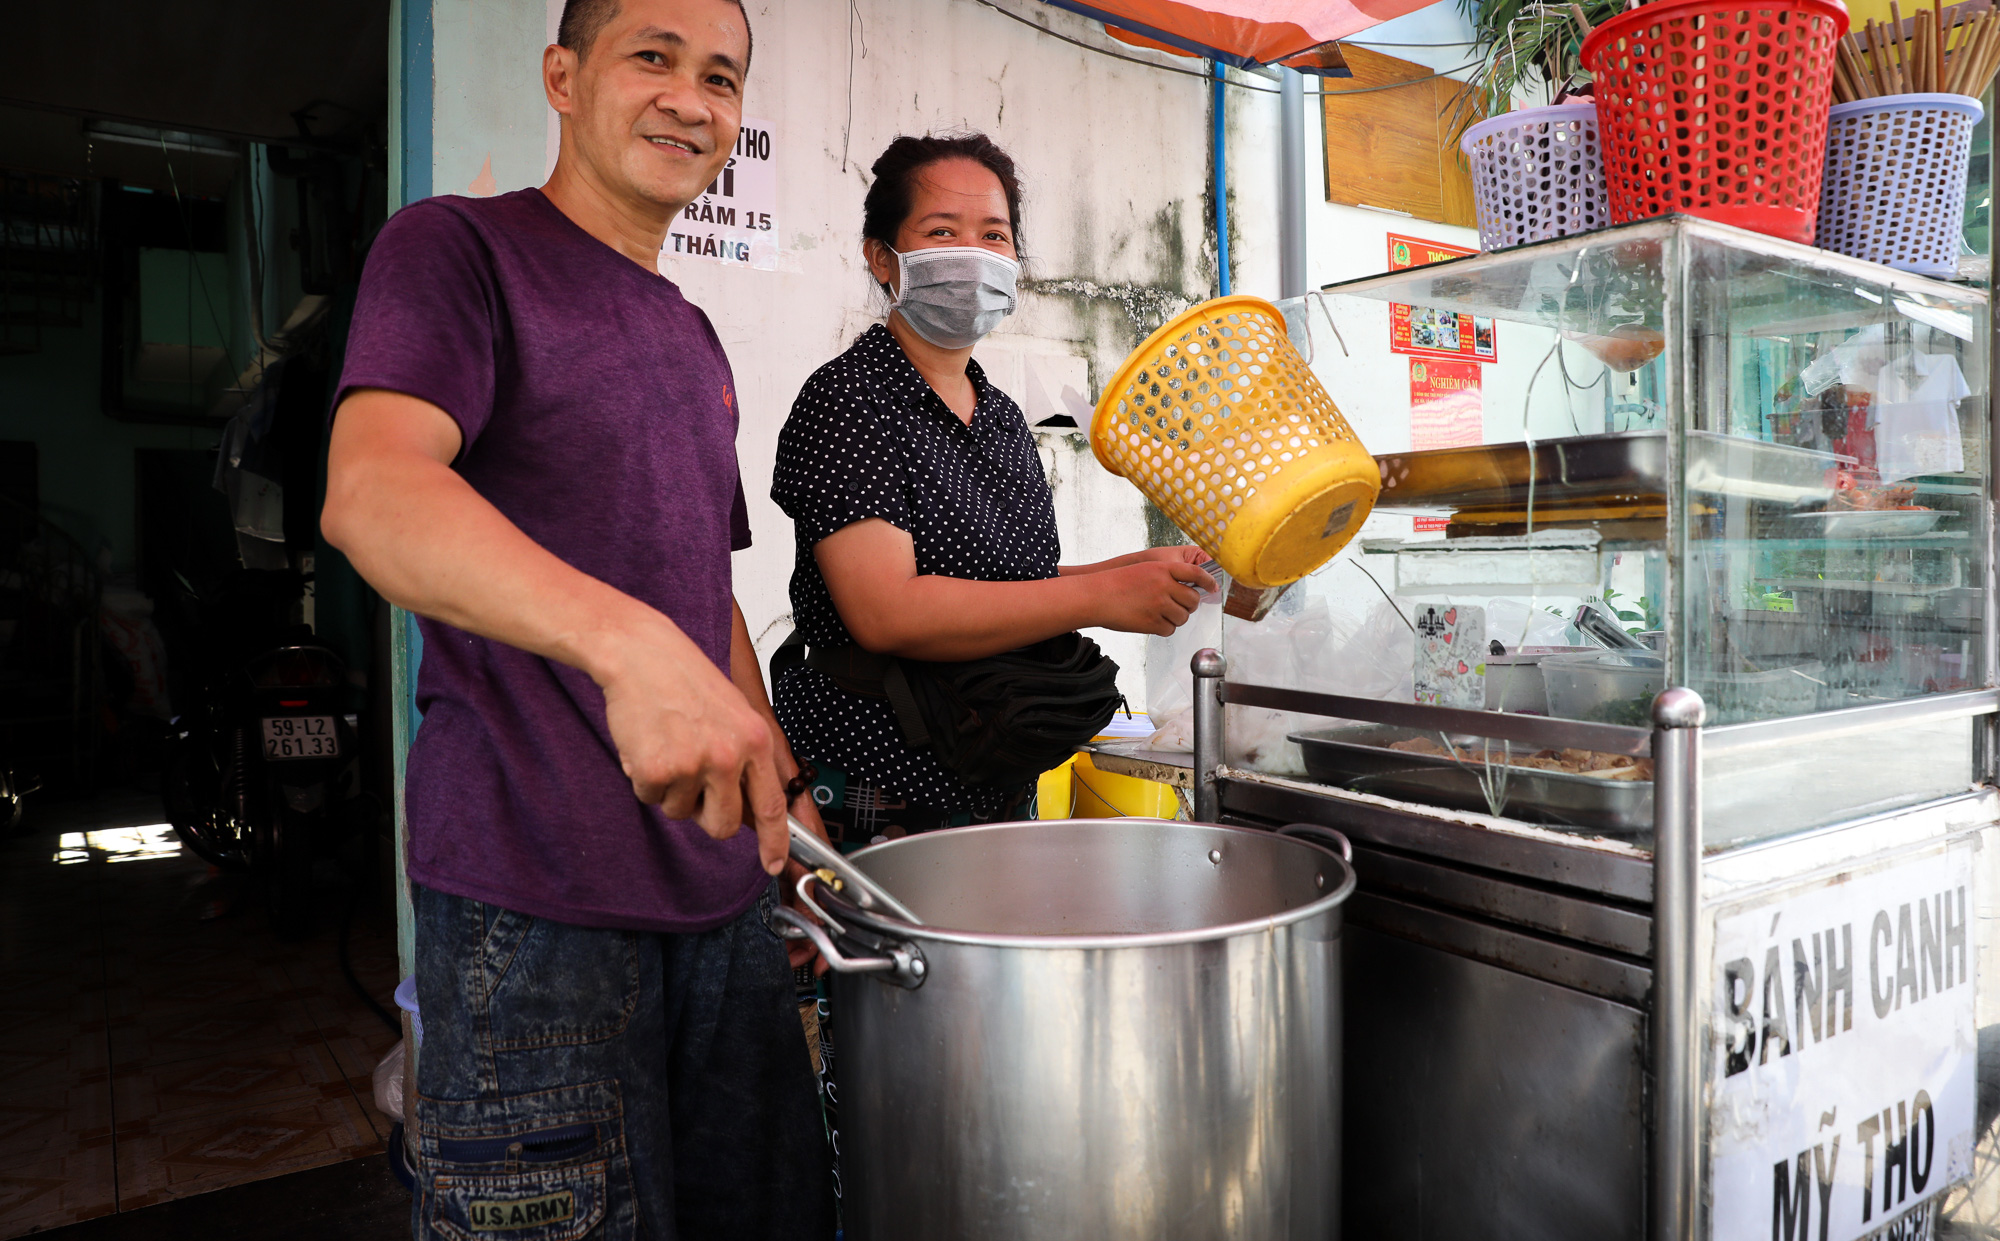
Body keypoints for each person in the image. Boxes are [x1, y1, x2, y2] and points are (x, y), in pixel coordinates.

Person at [319, 1, 832, 1236]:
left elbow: (702, 603)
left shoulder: (692, 333)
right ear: (563, 76)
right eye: (650, 57)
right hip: (529, 906)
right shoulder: (455, 250)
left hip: (718, 905)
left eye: (720, 76)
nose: (689, 98)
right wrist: (623, 641)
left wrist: (784, 796)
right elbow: (373, 490)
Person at [770, 133, 1214, 842]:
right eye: (942, 231)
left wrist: (1135, 570)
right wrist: (1100, 598)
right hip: (876, 785)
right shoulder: (849, 399)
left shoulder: (1001, 415)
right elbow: (887, 610)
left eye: (994, 235)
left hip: (999, 773)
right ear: (882, 257)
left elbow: (1014, 581)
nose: (974, 254)